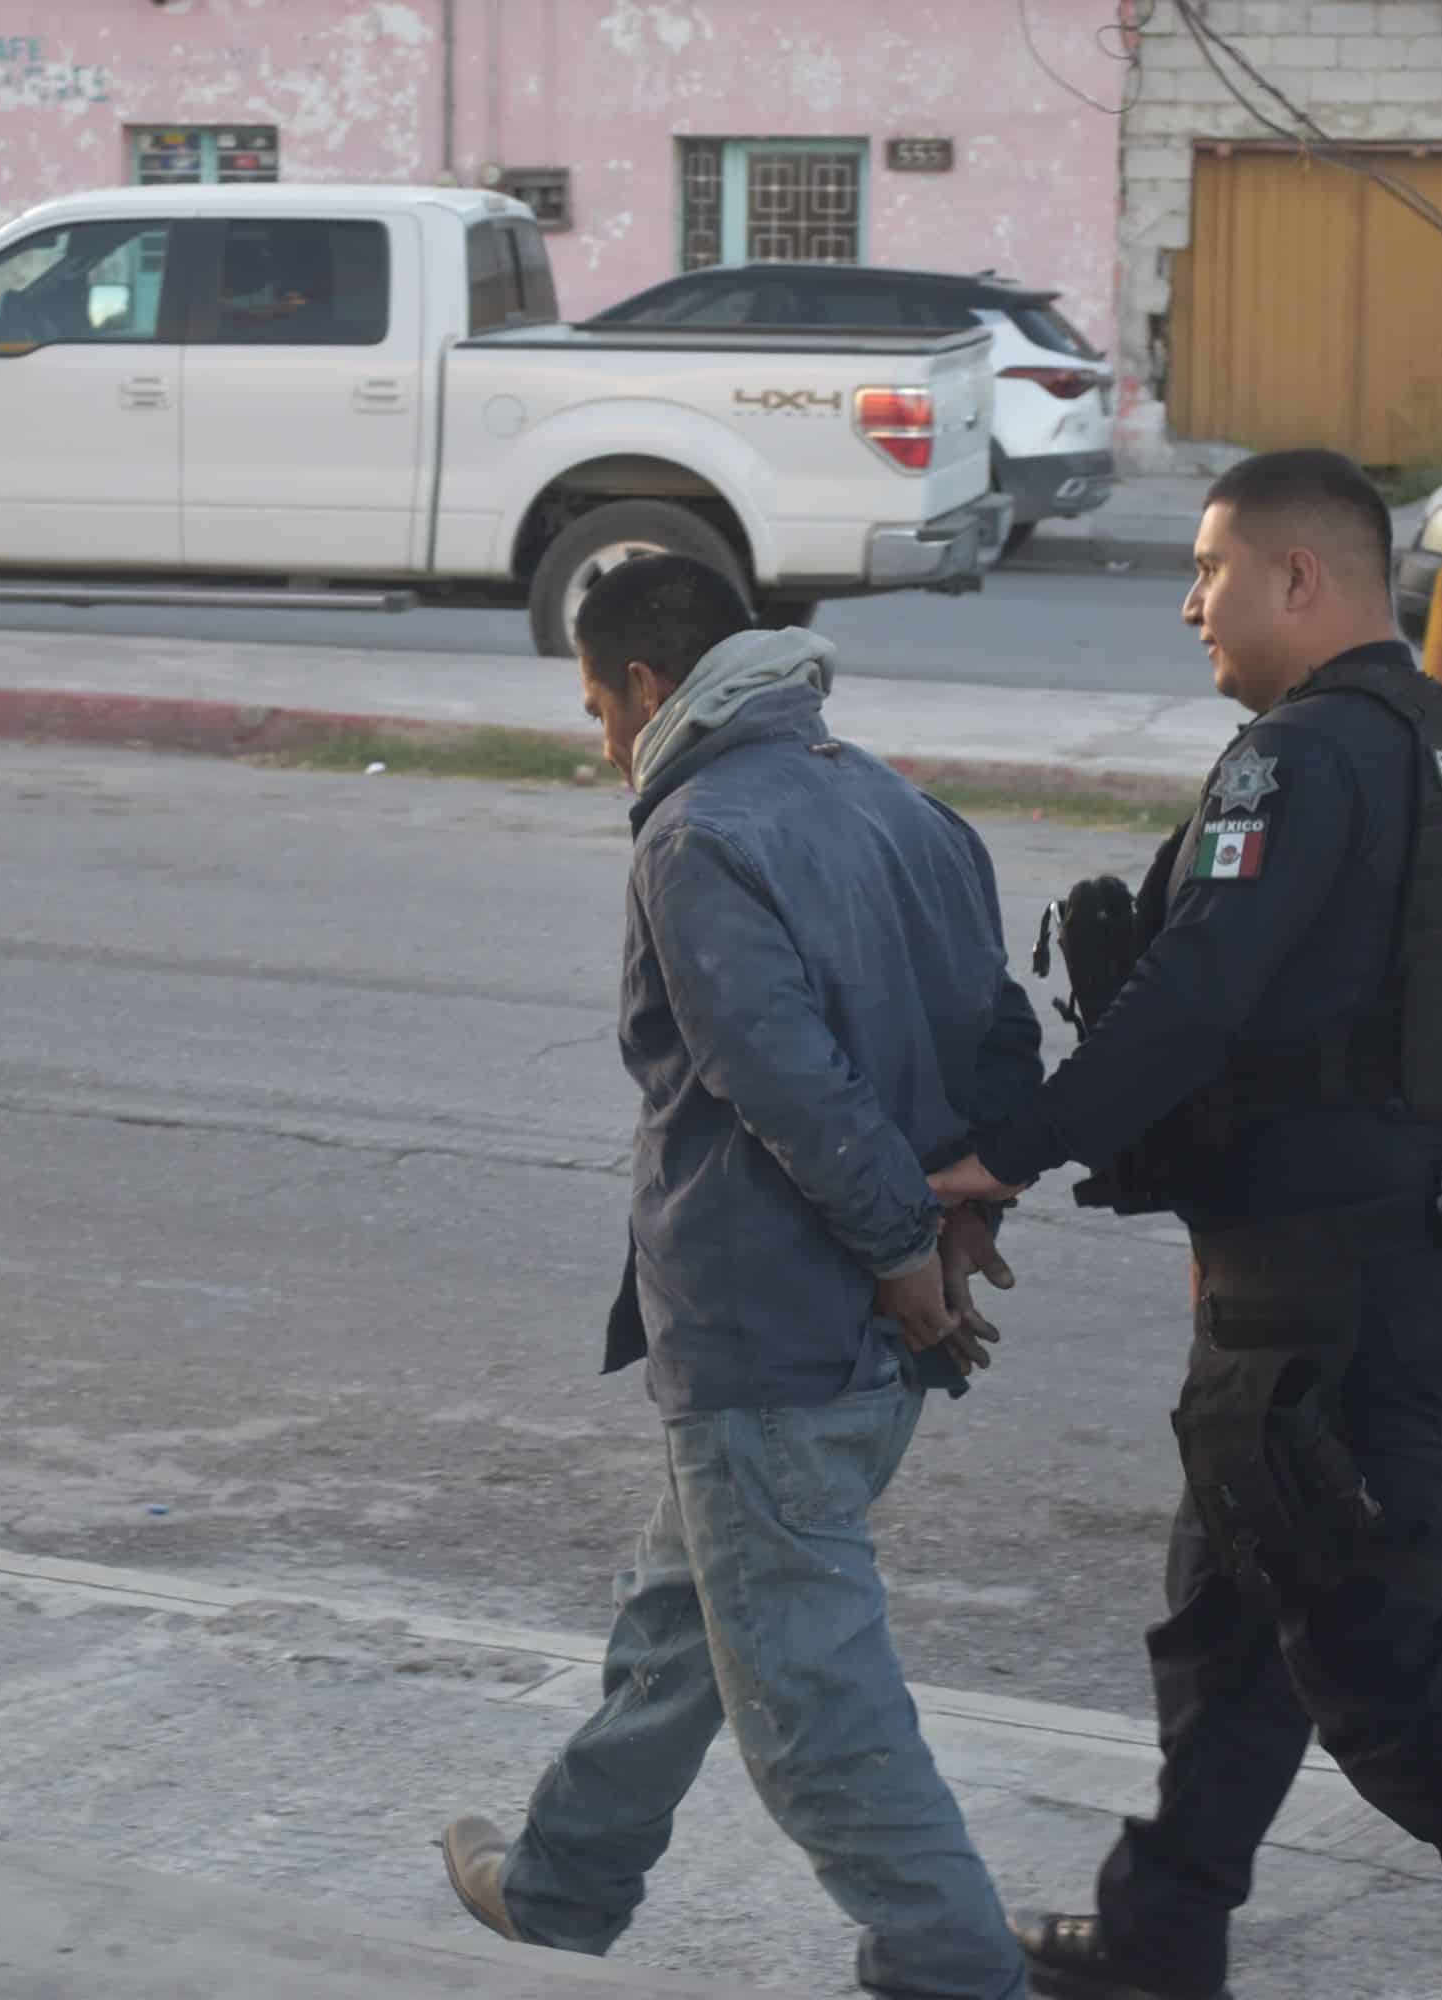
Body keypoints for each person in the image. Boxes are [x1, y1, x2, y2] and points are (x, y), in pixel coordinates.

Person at [932, 449, 1442, 1999]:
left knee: (1381, 1678)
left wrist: (1012, 1155)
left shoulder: (1302, 754)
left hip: (1326, 1300)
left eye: (1210, 571)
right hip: (1419, 1259)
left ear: (1302, 580)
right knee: (1235, 1625)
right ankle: (1160, 1933)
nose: (1191, 602)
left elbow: (1191, 999)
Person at [440, 555, 1045, 2000]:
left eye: (599, 708)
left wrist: (905, 1247)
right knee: (684, 1617)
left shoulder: (700, 834)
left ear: (650, 688)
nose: (601, 747)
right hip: (868, 1344)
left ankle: (954, 1969)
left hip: (775, 1335)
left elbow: (783, 1082)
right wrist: (957, 1215)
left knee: (809, 1708)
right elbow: (996, 1041)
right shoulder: (894, 798)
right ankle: (559, 1887)